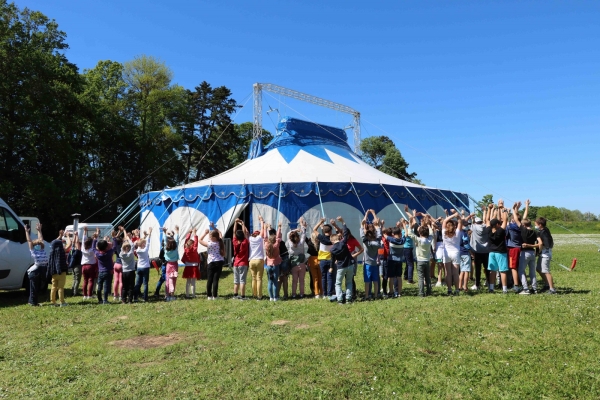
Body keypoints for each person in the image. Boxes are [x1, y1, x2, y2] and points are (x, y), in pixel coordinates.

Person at [406, 214, 436, 297]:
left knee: (420, 278)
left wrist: (409, 223)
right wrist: (429, 226)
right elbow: (431, 234)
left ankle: (421, 293)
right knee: (427, 277)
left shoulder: (418, 240)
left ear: (419, 232)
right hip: (427, 260)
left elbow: (410, 233)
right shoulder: (429, 240)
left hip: (420, 261)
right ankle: (429, 291)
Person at [514, 200, 538, 294]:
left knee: (521, 271)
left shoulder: (523, 230)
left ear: (523, 225)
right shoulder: (534, 232)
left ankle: (525, 289)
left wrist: (514, 209)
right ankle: (534, 288)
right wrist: (527, 205)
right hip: (532, 252)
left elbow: (516, 219)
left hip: (524, 253)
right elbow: (524, 218)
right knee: (532, 272)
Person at [329, 216, 354, 304]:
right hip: (350, 264)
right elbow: (346, 233)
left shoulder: (332, 249)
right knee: (349, 282)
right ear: (338, 238)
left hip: (341, 266)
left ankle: (340, 299)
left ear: (332, 241)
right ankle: (348, 298)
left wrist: (331, 267)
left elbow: (332, 259)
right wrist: (343, 222)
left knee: (338, 283)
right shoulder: (343, 243)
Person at [485, 203, 509, 293]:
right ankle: (505, 289)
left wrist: (489, 209)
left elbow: (487, 219)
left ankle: (491, 288)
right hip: (501, 252)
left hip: (492, 252)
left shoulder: (488, 230)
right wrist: (503, 209)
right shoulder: (500, 231)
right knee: (502, 271)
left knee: (492, 271)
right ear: (498, 224)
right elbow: (505, 220)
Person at [199, 223, 225, 300]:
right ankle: (215, 295)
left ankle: (209, 295)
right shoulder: (220, 242)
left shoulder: (209, 244)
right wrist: (213, 227)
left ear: (213, 237)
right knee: (215, 279)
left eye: (210, 236)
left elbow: (200, 240)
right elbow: (220, 233)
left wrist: (205, 233)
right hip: (219, 261)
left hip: (211, 262)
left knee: (209, 279)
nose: (209, 237)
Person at [361, 209, 382, 300]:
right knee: (376, 281)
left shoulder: (366, 242)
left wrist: (366, 215)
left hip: (367, 264)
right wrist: (374, 214)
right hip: (375, 263)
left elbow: (362, 229)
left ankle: (367, 295)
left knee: (367, 281)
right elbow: (378, 231)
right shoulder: (378, 243)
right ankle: (376, 295)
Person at [25, 223, 47, 306]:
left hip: (39, 270)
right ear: (34, 246)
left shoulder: (42, 250)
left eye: (39, 244)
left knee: (35, 288)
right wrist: (27, 232)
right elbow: (29, 241)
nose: (38, 244)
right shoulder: (33, 251)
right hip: (35, 272)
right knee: (34, 288)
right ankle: (33, 302)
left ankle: (31, 301)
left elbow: (40, 239)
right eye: (36, 244)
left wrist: (39, 230)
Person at [93, 228, 118, 304]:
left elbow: (93, 248)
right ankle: (105, 300)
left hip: (100, 272)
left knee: (99, 286)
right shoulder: (109, 253)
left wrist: (95, 238)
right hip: (108, 271)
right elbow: (115, 246)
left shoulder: (98, 254)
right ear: (106, 246)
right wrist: (113, 237)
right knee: (106, 286)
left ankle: (100, 300)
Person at [442, 210, 463, 296]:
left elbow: (444, 221)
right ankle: (457, 290)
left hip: (446, 253)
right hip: (455, 253)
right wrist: (457, 215)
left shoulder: (444, 232)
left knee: (448, 273)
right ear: (454, 226)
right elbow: (460, 221)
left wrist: (452, 215)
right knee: (455, 273)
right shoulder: (457, 232)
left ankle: (449, 289)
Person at [383, 221, 407, 298]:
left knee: (391, 277)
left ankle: (391, 291)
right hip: (400, 260)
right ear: (400, 233)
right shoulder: (402, 241)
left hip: (391, 260)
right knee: (399, 277)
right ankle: (399, 292)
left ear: (392, 234)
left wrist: (381, 225)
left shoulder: (391, 239)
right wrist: (403, 224)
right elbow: (406, 234)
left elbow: (383, 234)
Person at [469, 208, 491, 291]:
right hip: (486, 251)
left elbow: (471, 223)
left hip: (477, 251)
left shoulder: (474, 227)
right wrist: (485, 211)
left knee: (477, 269)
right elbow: (486, 221)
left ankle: (477, 284)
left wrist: (472, 217)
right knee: (487, 268)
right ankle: (489, 283)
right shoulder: (486, 227)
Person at [314, 217, 335, 300]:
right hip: (330, 260)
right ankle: (330, 293)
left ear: (324, 231)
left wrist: (320, 222)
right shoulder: (332, 239)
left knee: (323, 277)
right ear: (330, 231)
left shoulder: (321, 238)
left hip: (322, 260)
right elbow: (339, 233)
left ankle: (324, 294)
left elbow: (314, 229)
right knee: (329, 277)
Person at [534, 217, 556, 294]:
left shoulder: (542, 232)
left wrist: (537, 252)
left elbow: (541, 244)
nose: (535, 226)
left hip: (545, 253)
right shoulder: (545, 229)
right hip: (544, 253)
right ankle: (547, 284)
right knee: (538, 269)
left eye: (536, 224)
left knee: (546, 271)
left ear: (540, 225)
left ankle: (552, 289)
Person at [47, 230, 69, 307]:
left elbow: (54, 242)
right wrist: (68, 236)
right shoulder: (62, 251)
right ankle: (62, 302)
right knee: (61, 288)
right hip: (61, 272)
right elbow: (69, 244)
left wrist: (60, 235)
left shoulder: (51, 252)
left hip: (54, 272)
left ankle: (53, 302)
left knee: (53, 287)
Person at [506, 203, 524, 292]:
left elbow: (506, 221)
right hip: (519, 247)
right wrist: (516, 209)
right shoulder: (521, 226)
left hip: (513, 248)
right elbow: (517, 218)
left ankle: (516, 285)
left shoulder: (511, 227)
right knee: (517, 267)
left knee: (513, 267)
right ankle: (519, 282)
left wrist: (508, 211)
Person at [287, 219, 307, 299]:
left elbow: (288, 233)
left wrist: (295, 230)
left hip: (294, 264)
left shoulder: (291, 244)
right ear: (298, 236)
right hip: (302, 264)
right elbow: (304, 233)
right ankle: (302, 294)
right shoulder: (301, 243)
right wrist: (302, 226)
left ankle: (294, 294)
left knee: (294, 280)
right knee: (301, 280)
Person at [264, 221, 282, 301]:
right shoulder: (276, 245)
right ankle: (275, 297)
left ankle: (271, 297)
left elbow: (265, 237)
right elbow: (278, 237)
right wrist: (279, 227)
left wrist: (265, 229)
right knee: (275, 282)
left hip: (268, 265)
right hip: (275, 264)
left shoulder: (266, 245)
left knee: (269, 282)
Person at [248, 216, 266, 300]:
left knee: (253, 278)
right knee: (259, 279)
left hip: (251, 260)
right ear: (258, 234)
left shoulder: (250, 238)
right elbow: (262, 228)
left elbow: (246, 231)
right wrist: (261, 220)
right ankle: (259, 295)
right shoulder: (259, 238)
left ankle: (254, 294)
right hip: (259, 260)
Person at [232, 219, 250, 300]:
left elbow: (233, 232)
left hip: (236, 263)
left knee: (236, 281)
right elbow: (245, 232)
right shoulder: (245, 242)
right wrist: (242, 223)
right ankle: (243, 296)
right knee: (242, 281)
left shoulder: (235, 242)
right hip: (243, 263)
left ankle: (235, 295)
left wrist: (235, 223)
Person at [162, 226, 180, 301]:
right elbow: (177, 240)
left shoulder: (166, 250)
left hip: (168, 265)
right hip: (175, 265)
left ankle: (167, 295)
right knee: (173, 280)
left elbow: (165, 241)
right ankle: (172, 295)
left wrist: (164, 232)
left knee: (168, 280)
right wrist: (177, 231)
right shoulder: (175, 249)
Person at [134, 228, 152, 302]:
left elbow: (139, 243)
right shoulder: (145, 249)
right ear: (143, 244)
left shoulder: (137, 250)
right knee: (145, 283)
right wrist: (150, 233)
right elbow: (148, 241)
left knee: (137, 283)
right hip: (145, 267)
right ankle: (145, 298)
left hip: (139, 267)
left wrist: (144, 236)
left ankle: (135, 297)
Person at [182, 227, 201, 299]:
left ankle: (187, 295)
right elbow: (196, 241)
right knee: (193, 282)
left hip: (187, 266)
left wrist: (189, 233)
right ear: (193, 245)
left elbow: (186, 241)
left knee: (188, 282)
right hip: (194, 267)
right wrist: (195, 233)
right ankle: (193, 295)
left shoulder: (186, 249)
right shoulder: (194, 249)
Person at [81, 227, 97, 300]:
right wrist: (96, 235)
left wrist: (84, 231)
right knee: (91, 280)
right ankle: (89, 295)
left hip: (84, 266)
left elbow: (84, 238)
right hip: (91, 265)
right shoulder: (92, 249)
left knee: (85, 280)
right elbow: (94, 243)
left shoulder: (83, 248)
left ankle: (84, 295)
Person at [120, 231, 136, 303]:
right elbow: (132, 245)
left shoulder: (121, 254)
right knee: (130, 286)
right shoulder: (131, 254)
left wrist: (124, 241)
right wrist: (128, 239)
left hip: (124, 272)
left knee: (124, 286)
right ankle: (130, 300)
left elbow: (121, 248)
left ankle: (123, 299)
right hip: (131, 271)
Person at [402, 205, 417, 284]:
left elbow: (411, 219)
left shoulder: (403, 230)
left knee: (408, 263)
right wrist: (411, 213)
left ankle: (405, 276)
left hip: (405, 248)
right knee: (411, 264)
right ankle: (410, 279)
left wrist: (407, 212)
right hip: (408, 248)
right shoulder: (408, 229)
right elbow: (412, 219)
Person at [306, 234, 322, 298]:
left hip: (312, 261)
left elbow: (305, 238)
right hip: (320, 259)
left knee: (314, 278)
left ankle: (316, 293)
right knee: (320, 278)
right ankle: (322, 292)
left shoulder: (309, 244)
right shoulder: (320, 243)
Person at [68, 232, 83, 297]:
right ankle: (75, 292)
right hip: (77, 266)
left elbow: (74, 243)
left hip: (73, 266)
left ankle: (72, 291)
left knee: (74, 279)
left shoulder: (72, 250)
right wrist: (76, 235)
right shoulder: (78, 252)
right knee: (77, 279)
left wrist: (74, 236)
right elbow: (76, 243)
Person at [112, 227, 125, 302]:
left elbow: (115, 239)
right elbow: (122, 240)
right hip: (121, 264)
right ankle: (120, 295)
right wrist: (122, 231)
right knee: (121, 281)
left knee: (115, 281)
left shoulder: (116, 246)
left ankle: (115, 296)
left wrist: (118, 233)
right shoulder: (123, 247)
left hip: (116, 264)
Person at [458, 222, 472, 292]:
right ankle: (465, 286)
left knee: (462, 270)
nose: (467, 226)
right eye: (466, 225)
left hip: (459, 253)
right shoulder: (464, 233)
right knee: (466, 271)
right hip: (465, 253)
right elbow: (466, 243)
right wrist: (470, 252)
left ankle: (459, 286)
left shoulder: (458, 233)